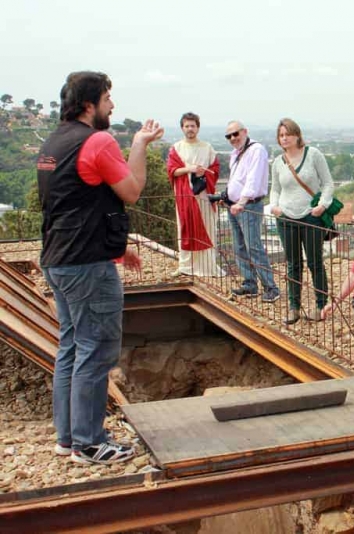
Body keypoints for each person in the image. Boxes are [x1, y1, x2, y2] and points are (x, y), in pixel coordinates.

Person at [37, 71, 163, 464]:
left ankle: (69, 437)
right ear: (90, 104)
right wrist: (139, 144)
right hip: (87, 266)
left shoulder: (53, 142)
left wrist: (116, 250)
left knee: (72, 346)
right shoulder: (97, 140)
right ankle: (89, 443)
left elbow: (74, 204)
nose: (113, 105)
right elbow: (131, 191)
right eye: (108, 98)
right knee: (96, 350)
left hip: (59, 259)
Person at [269, 118, 334, 323]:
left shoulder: (313, 155)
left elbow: (328, 183)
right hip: (286, 217)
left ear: (297, 135)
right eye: (281, 135)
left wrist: (322, 205)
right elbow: (275, 188)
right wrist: (274, 206)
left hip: (311, 216)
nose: (285, 138)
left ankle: (321, 305)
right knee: (293, 263)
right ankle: (294, 306)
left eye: (288, 133)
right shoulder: (278, 162)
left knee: (315, 262)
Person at [224, 120, 280, 303]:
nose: (233, 138)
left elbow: (253, 180)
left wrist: (241, 201)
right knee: (239, 246)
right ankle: (250, 283)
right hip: (234, 205)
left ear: (245, 132)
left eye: (236, 134)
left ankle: (271, 287)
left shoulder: (256, 150)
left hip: (248, 205)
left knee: (253, 246)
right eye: (229, 136)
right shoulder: (236, 153)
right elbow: (237, 180)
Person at [166, 112, 224, 277]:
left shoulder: (207, 148)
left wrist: (203, 173)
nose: (190, 129)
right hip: (185, 196)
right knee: (185, 229)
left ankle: (207, 267)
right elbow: (172, 171)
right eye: (187, 126)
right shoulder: (177, 148)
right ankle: (186, 266)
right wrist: (189, 169)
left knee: (207, 228)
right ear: (182, 128)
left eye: (193, 126)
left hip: (203, 196)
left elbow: (215, 170)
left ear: (198, 127)